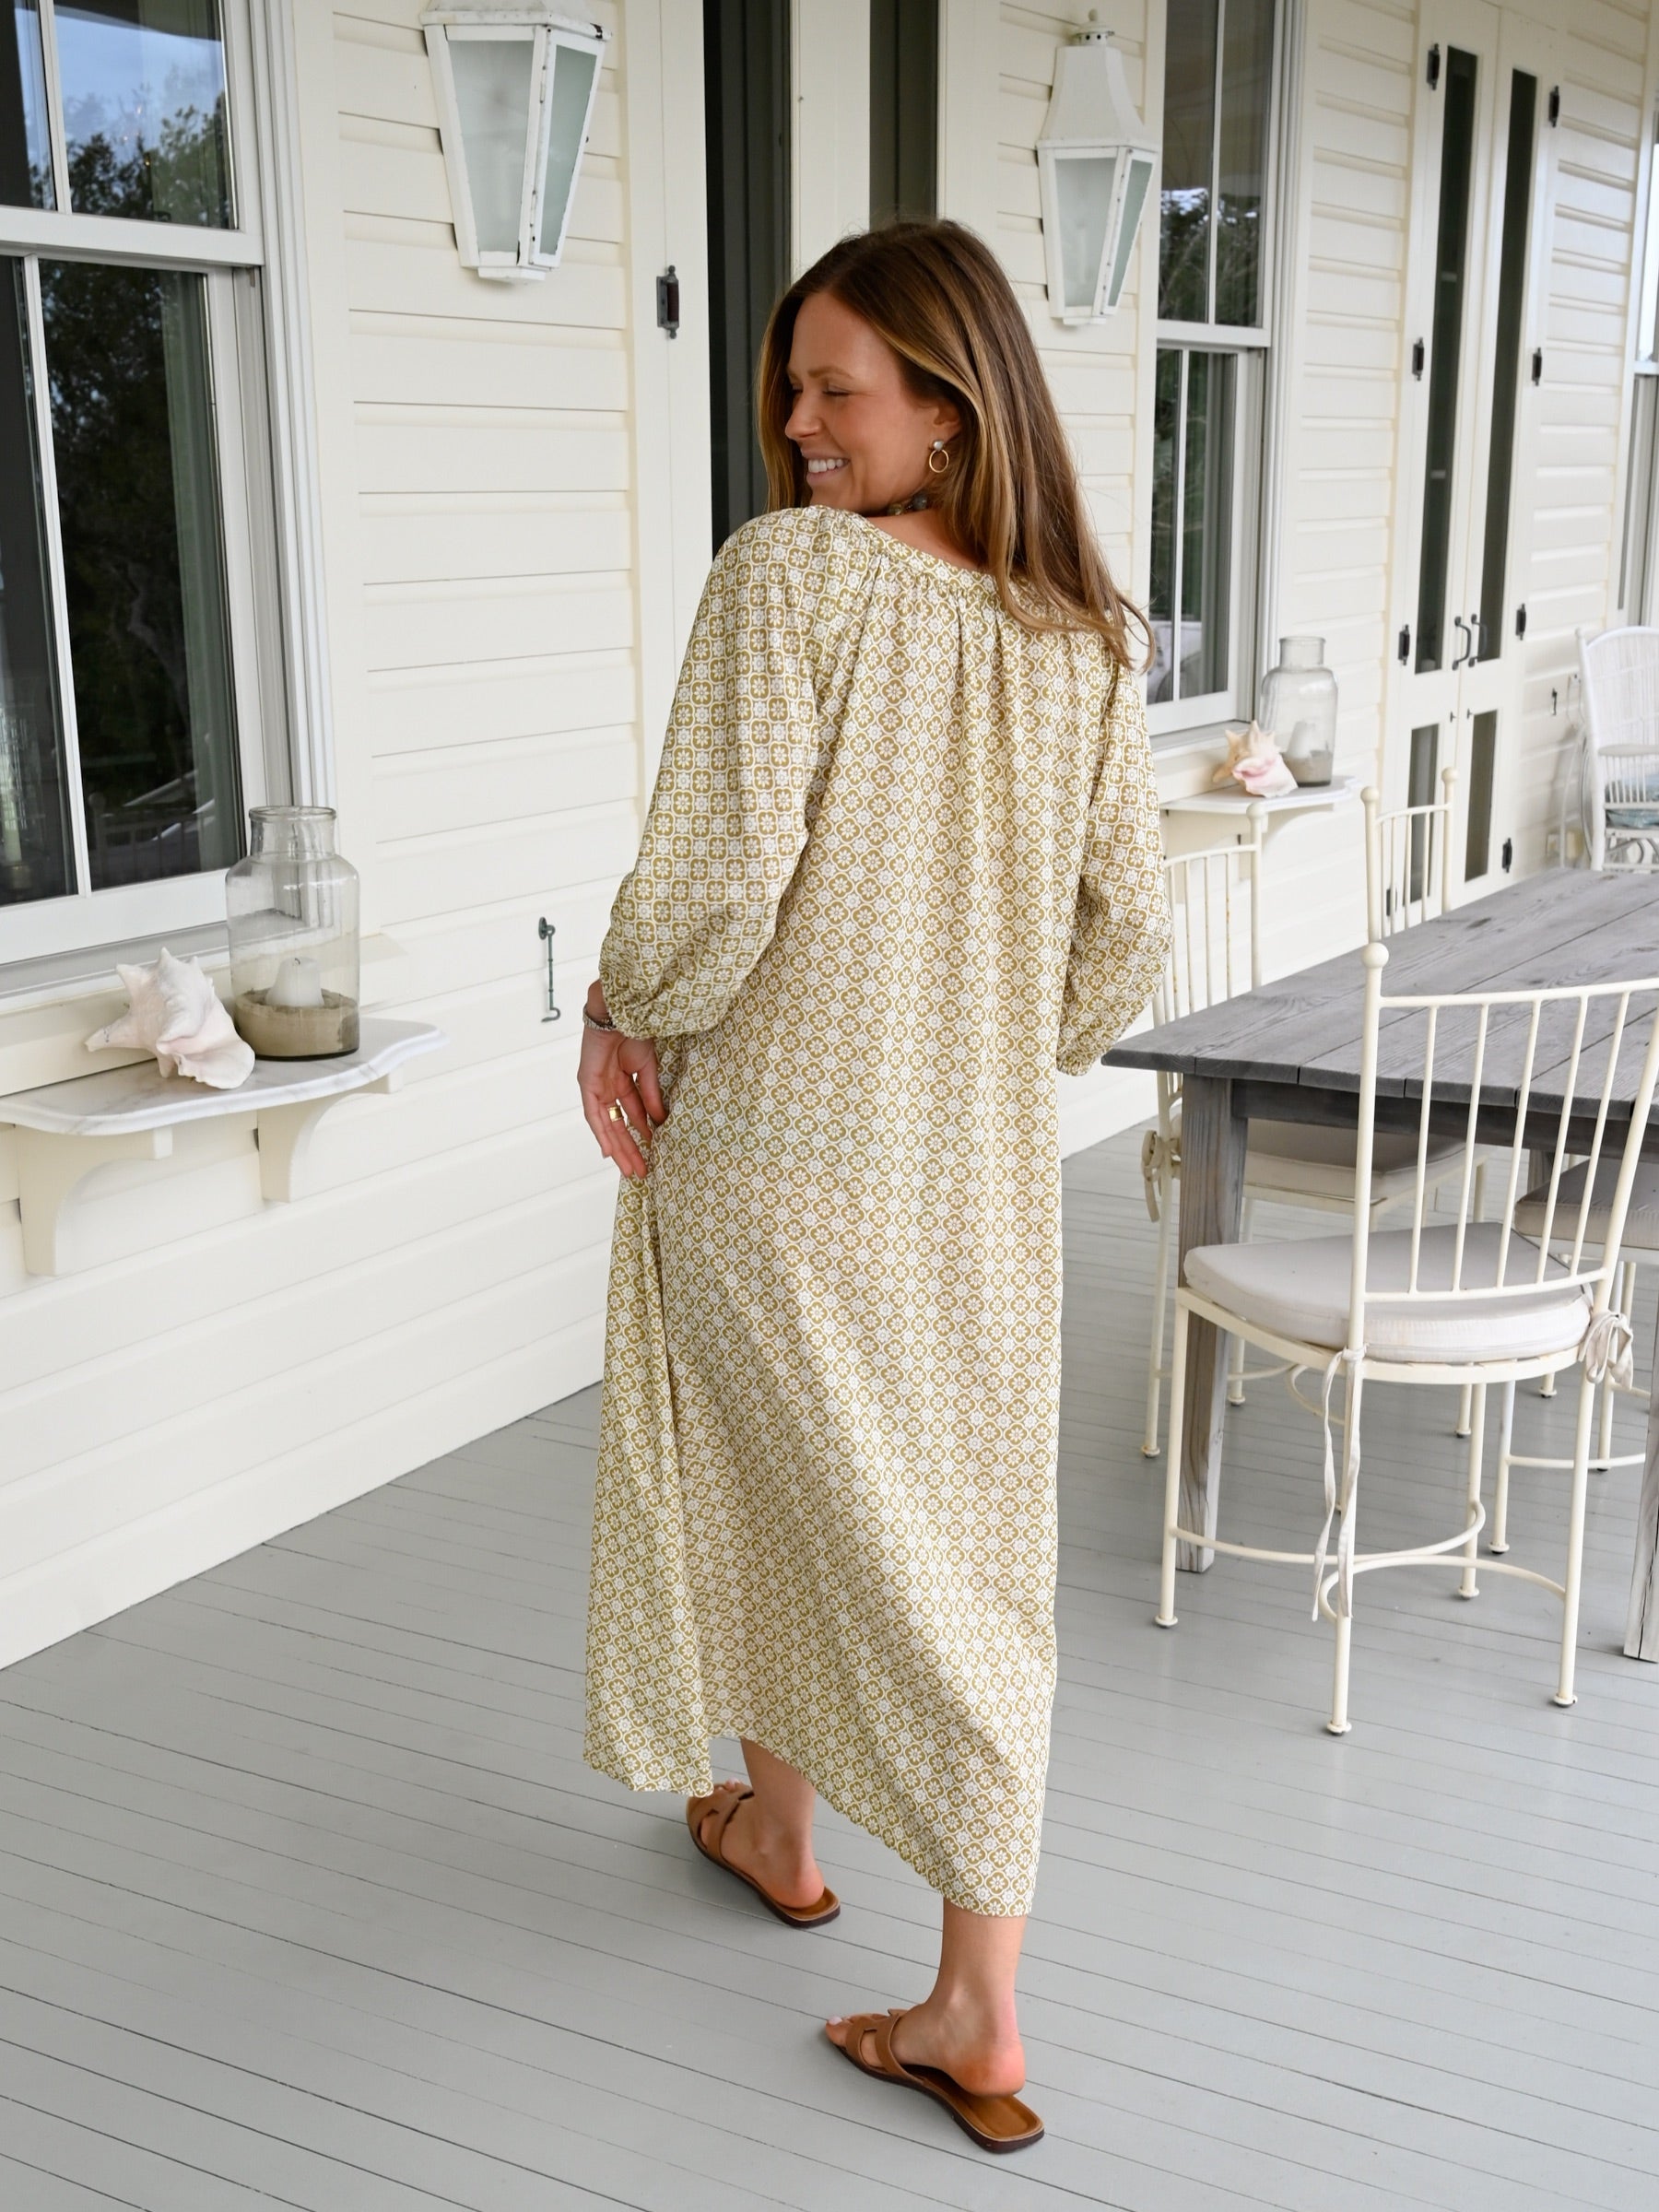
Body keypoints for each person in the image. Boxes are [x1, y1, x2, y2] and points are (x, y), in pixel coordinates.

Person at [577, 219, 1169, 2154]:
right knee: (955, 1542)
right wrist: (986, 1045)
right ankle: (806, 1853)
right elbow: (1121, 942)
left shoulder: (793, 577)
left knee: (829, 1517)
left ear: (951, 407)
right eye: (790, 389)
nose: (799, 424)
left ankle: (928, 1962)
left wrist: (619, 1004)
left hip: (771, 1160)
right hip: (977, 1188)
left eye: (836, 389)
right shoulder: (1086, 638)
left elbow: (715, 879)